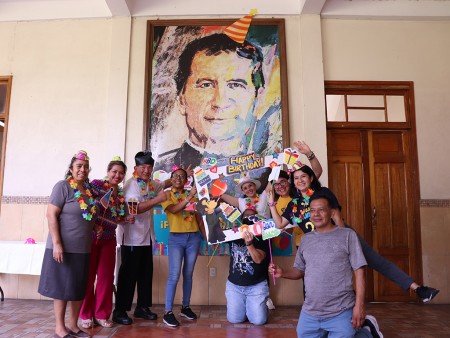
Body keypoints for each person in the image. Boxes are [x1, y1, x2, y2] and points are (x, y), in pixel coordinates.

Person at [268, 162, 439, 303]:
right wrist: (271, 203)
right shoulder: (294, 204)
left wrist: (344, 241)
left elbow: (337, 218)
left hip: (342, 235)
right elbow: (279, 223)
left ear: (311, 178)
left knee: (377, 261)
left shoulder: (322, 193)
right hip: (319, 244)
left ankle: (418, 289)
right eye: (296, 178)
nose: (300, 180)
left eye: (303, 176)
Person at [269, 192, 383, 338]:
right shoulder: (305, 239)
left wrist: (359, 306)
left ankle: (365, 331)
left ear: (331, 212)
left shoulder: (347, 235)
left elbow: (359, 272)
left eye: (321, 210)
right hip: (310, 312)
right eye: (312, 210)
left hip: (341, 310)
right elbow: (299, 271)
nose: (316, 214)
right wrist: (282, 272)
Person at [155, 33, 270, 172]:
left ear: (259, 99)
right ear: (181, 99)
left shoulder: (269, 172)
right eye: (205, 85)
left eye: (236, 85)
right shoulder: (159, 171)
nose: (220, 102)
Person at [38, 150, 95, 338]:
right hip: (63, 247)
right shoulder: (62, 187)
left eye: (86, 167)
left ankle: (74, 325)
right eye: (79, 166)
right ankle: (60, 328)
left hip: (83, 248)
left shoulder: (88, 191)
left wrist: (95, 228)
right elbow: (51, 215)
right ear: (71, 169)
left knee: (78, 288)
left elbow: (87, 216)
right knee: (62, 288)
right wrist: (57, 244)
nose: (82, 170)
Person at [112, 151, 168, 325]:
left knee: (145, 273)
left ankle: (142, 307)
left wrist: (175, 179)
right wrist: (158, 200)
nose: (146, 170)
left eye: (149, 167)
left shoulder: (149, 183)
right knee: (128, 275)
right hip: (131, 238)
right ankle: (120, 310)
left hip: (146, 237)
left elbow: (161, 186)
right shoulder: (131, 185)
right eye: (143, 167)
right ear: (136, 168)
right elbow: (136, 209)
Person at [79, 156, 132, 329]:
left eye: (121, 173)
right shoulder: (96, 184)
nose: (117, 175)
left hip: (109, 239)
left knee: (106, 278)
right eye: (114, 171)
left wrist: (127, 218)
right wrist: (94, 225)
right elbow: (84, 203)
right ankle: (86, 314)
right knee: (88, 278)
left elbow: (119, 217)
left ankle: (101, 314)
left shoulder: (121, 194)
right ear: (108, 172)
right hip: (92, 238)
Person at [161, 168, 206, 327]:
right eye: (175, 176)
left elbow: (198, 216)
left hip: (193, 237)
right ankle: (167, 312)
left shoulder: (192, 195)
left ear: (187, 180)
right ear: (171, 178)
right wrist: (188, 197)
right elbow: (173, 209)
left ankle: (185, 307)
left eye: (182, 176)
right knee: (174, 275)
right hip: (176, 238)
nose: (178, 178)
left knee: (188, 274)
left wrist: (207, 236)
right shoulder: (167, 194)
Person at [226, 208, 270, 325]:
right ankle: (247, 308)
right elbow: (211, 237)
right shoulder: (233, 234)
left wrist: (249, 244)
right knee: (235, 320)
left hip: (256, 286)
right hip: (234, 286)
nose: (249, 219)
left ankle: (257, 307)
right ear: (241, 220)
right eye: (246, 217)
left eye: (252, 217)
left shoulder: (262, 237)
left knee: (258, 321)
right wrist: (206, 217)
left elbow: (258, 259)